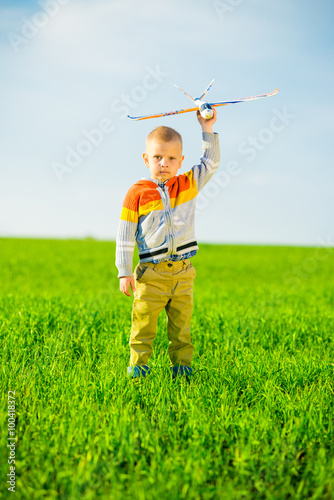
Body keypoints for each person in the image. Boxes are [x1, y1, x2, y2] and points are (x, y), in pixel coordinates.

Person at [115, 108, 220, 379]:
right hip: (151, 274)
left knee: (181, 328)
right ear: (146, 158)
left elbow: (210, 162)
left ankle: (182, 371)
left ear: (180, 161)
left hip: (183, 272)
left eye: (171, 158)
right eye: (158, 157)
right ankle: (138, 370)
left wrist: (206, 128)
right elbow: (125, 234)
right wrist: (124, 270)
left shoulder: (187, 184)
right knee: (143, 326)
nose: (164, 163)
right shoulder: (136, 193)